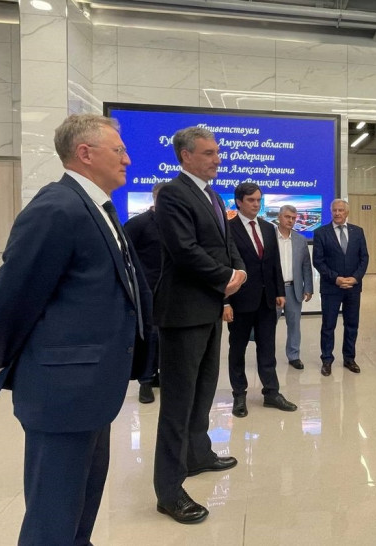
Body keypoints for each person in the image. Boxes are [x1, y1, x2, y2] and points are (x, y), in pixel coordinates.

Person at [0, 113, 152, 544]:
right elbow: (12, 295)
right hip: (63, 391)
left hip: (92, 388)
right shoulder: (57, 208)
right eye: (119, 150)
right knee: (53, 518)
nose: (128, 159)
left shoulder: (97, 208)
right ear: (85, 154)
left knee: (80, 509)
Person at [153, 126, 245, 524]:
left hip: (209, 310)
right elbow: (185, 250)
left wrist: (239, 269)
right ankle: (169, 490)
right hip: (183, 313)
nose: (217, 159)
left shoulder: (213, 195)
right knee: (178, 403)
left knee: (204, 390)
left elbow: (226, 244)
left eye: (217, 152)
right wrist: (225, 277)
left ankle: (198, 454)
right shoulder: (173, 194)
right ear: (186, 156)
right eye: (208, 153)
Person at [226, 182, 297, 417]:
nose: (256, 204)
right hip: (240, 301)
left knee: (267, 348)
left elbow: (274, 262)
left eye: (258, 200)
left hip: (267, 301)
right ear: (239, 202)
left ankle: (271, 392)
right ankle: (239, 395)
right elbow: (224, 265)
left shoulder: (268, 228)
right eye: (251, 200)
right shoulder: (228, 229)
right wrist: (225, 302)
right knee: (237, 349)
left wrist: (279, 291)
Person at [312, 198, 369, 376]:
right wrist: (335, 279)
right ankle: (327, 359)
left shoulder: (358, 232)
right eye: (334, 210)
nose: (337, 213)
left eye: (341, 210)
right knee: (328, 325)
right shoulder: (321, 232)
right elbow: (318, 261)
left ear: (347, 212)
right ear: (331, 212)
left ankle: (349, 358)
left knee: (352, 324)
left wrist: (355, 278)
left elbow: (364, 258)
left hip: (353, 288)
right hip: (331, 288)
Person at [124, 181, 166, 403]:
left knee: (167, 336)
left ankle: (160, 375)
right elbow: (123, 253)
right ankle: (146, 381)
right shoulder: (138, 224)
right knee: (151, 335)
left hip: (173, 291)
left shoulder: (177, 224)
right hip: (148, 289)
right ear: (154, 198)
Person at [276, 204, 314, 370]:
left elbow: (306, 265)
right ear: (279, 217)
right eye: (287, 217)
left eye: (293, 218)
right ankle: (266, 355)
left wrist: (308, 287)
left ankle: (294, 356)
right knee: (268, 325)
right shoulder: (269, 237)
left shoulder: (300, 240)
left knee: (294, 325)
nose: (290, 220)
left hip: (293, 289)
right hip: (274, 289)